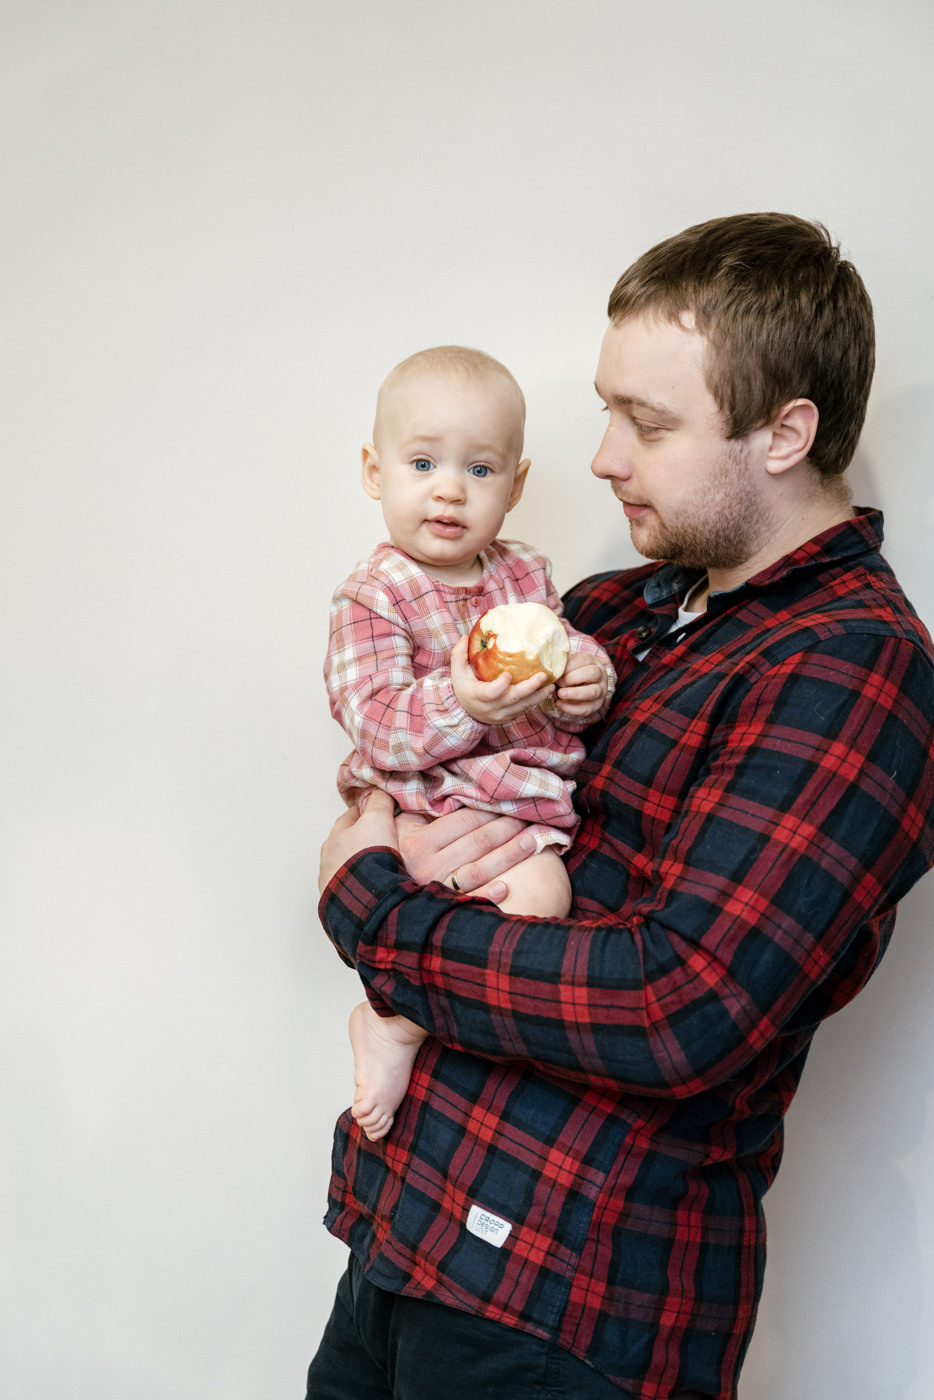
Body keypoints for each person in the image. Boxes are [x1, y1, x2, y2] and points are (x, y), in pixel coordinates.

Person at [309, 214, 934, 1400]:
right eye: (607, 411)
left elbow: (674, 1006)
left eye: (647, 423)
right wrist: (383, 822)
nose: (601, 457)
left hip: (570, 1315)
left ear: (785, 432)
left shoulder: (852, 667)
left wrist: (373, 910)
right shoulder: (614, 606)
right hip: (403, 1240)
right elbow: (403, 767)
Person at [326, 345, 615, 1141]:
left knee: (545, 901)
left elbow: (567, 660)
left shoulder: (526, 576)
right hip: (427, 802)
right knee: (414, 885)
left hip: (522, 809)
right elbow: (377, 719)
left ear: (515, 485)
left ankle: (422, 1030)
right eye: (422, 462)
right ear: (374, 471)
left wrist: (586, 679)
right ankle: (392, 1020)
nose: (450, 488)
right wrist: (464, 699)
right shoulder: (376, 593)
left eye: (480, 470)